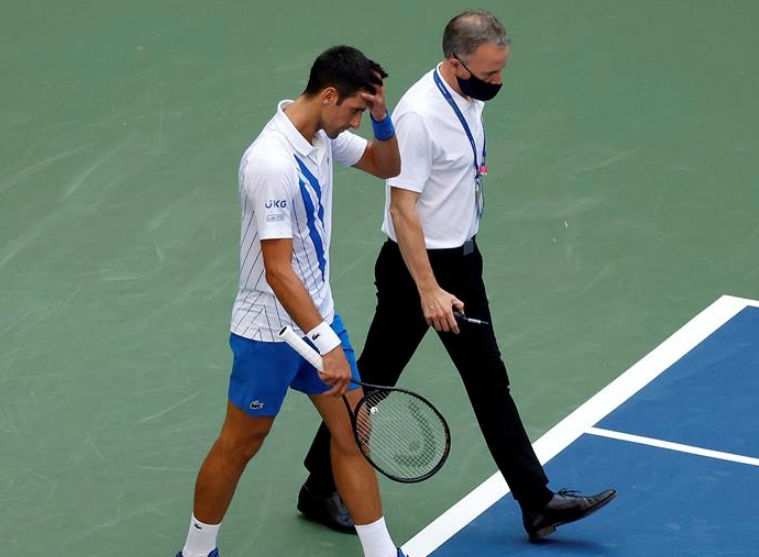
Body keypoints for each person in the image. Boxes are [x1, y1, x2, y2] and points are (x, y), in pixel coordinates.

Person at [297, 11, 617, 543]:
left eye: (501, 73)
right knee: (413, 380)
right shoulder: (421, 115)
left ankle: (317, 484)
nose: (496, 84)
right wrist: (429, 290)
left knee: (384, 377)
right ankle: (536, 502)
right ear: (455, 62)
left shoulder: (468, 95)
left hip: (461, 261)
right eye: (488, 75)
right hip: (419, 269)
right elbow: (403, 208)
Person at [176, 45, 407, 557]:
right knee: (241, 443)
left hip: (318, 312)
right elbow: (278, 271)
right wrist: (325, 344)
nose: (353, 123)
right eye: (351, 110)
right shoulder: (271, 163)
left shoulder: (323, 133)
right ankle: (195, 552)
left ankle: (382, 551)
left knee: (353, 429)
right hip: (270, 330)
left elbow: (388, 163)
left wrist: (380, 116)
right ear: (328, 95)